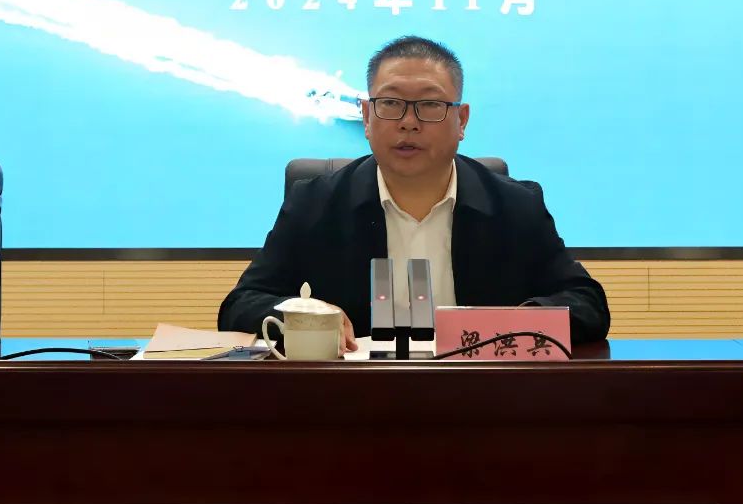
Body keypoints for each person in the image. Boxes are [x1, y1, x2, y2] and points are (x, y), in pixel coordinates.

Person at [218, 36, 610, 351]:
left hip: (479, 399)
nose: (409, 122)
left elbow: (587, 303)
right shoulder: (315, 204)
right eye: (391, 104)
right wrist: (301, 314)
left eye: (429, 105)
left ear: (461, 120)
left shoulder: (514, 206)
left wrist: (516, 324)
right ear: (367, 117)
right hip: (350, 402)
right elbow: (241, 304)